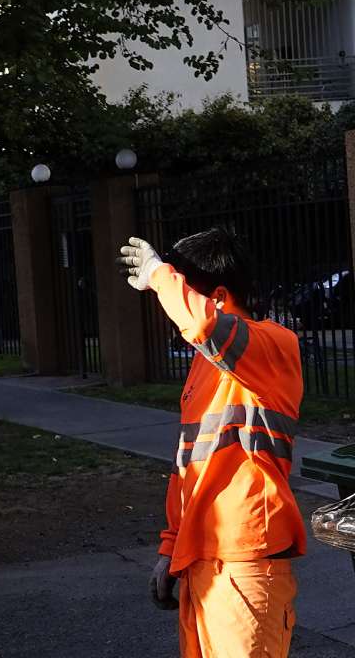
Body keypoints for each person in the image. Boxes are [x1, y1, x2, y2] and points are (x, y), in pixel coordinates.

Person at [119, 229, 303, 658]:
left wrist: (159, 274)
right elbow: (190, 466)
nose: (171, 308)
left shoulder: (272, 345)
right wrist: (171, 547)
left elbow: (201, 324)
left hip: (245, 557)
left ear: (217, 298)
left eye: (182, 291)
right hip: (204, 556)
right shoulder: (205, 367)